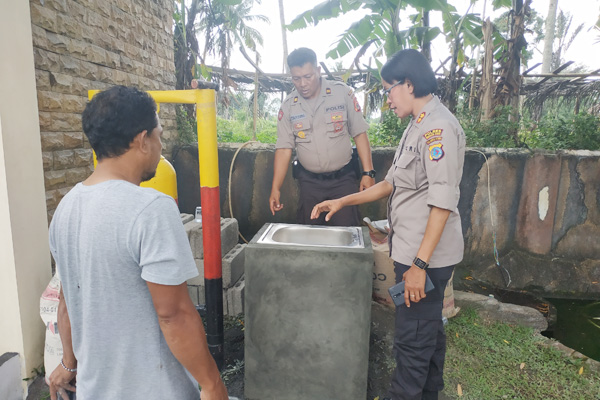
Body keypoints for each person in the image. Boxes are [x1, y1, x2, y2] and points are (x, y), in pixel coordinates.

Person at [47, 86, 228, 400]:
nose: (161, 144)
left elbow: (67, 302)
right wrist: (212, 384)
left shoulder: (66, 207)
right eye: (159, 135)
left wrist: (69, 361)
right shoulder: (151, 209)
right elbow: (174, 314)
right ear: (142, 140)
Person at [311, 49, 465, 400]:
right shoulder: (418, 124)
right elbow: (390, 183)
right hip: (413, 253)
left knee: (412, 341)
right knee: (428, 334)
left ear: (408, 84)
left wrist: (418, 267)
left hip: (424, 260)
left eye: (389, 90)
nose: (388, 99)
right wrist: (343, 200)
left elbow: (442, 203)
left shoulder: (437, 129)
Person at [269, 47, 376, 226]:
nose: (303, 84)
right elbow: (284, 149)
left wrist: (368, 173)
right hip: (309, 183)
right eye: (296, 78)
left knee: (346, 233)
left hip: (343, 181)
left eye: (308, 76)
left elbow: (359, 133)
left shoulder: (342, 94)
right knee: (311, 234)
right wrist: (275, 188)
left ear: (318, 71)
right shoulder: (288, 106)